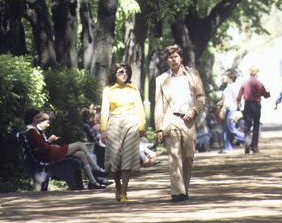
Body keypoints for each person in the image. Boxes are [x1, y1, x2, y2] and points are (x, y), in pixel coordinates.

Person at [155, 44, 206, 202]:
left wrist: (194, 111)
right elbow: (158, 104)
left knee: (188, 156)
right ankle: (178, 192)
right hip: (171, 120)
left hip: (189, 120)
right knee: (174, 156)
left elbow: (201, 97)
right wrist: (159, 128)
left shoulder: (192, 74)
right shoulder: (161, 79)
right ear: (167, 60)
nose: (173, 59)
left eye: (176, 56)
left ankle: (184, 187)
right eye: (170, 57)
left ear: (181, 57)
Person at [24, 109, 106, 189]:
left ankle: (92, 182)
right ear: (31, 118)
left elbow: (41, 146)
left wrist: (51, 144)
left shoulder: (33, 130)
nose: (39, 120)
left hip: (49, 152)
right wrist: (51, 144)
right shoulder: (31, 131)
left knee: (81, 154)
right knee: (80, 145)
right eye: (37, 118)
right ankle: (96, 168)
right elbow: (43, 146)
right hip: (50, 154)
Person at [100, 63, 146, 203]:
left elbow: (139, 107)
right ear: (114, 74)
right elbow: (104, 110)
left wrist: (141, 126)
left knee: (127, 159)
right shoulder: (108, 90)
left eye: (126, 72)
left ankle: (124, 192)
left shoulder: (133, 89)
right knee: (115, 160)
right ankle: (118, 187)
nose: (124, 74)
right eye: (121, 72)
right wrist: (103, 129)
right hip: (114, 123)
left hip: (131, 123)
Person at [237, 65, 270, 153]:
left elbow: (239, 95)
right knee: (256, 125)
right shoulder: (259, 83)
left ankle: (247, 144)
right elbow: (265, 94)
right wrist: (268, 94)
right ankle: (254, 147)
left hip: (247, 105)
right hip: (256, 105)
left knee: (247, 125)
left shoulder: (244, 83)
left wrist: (238, 103)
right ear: (257, 73)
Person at [218, 71, 244, 153]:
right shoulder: (227, 87)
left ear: (230, 77)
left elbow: (237, 99)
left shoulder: (234, 87)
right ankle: (227, 147)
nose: (223, 78)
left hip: (232, 110)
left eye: (225, 76)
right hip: (227, 109)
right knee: (226, 130)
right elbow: (226, 100)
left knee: (231, 129)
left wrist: (238, 109)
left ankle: (247, 139)